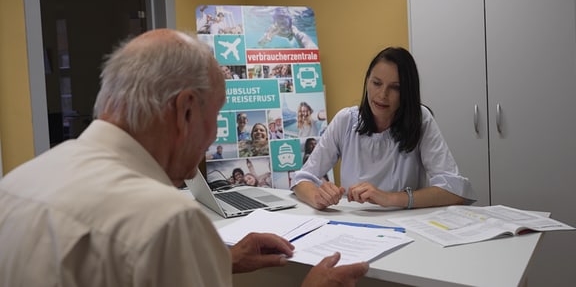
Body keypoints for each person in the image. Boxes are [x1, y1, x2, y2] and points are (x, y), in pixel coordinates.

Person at [0, 29, 368, 286]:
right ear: (187, 112)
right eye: (218, 115)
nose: (213, 138)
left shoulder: (16, 185)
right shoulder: (169, 222)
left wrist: (222, 261)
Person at [291, 47, 477, 210]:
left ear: (407, 92)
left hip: (407, 225)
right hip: (355, 224)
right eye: (377, 83)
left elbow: (454, 191)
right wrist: (318, 197)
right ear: (367, 81)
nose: (382, 95)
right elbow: (301, 180)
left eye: (395, 88)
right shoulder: (346, 120)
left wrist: (389, 198)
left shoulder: (420, 120)